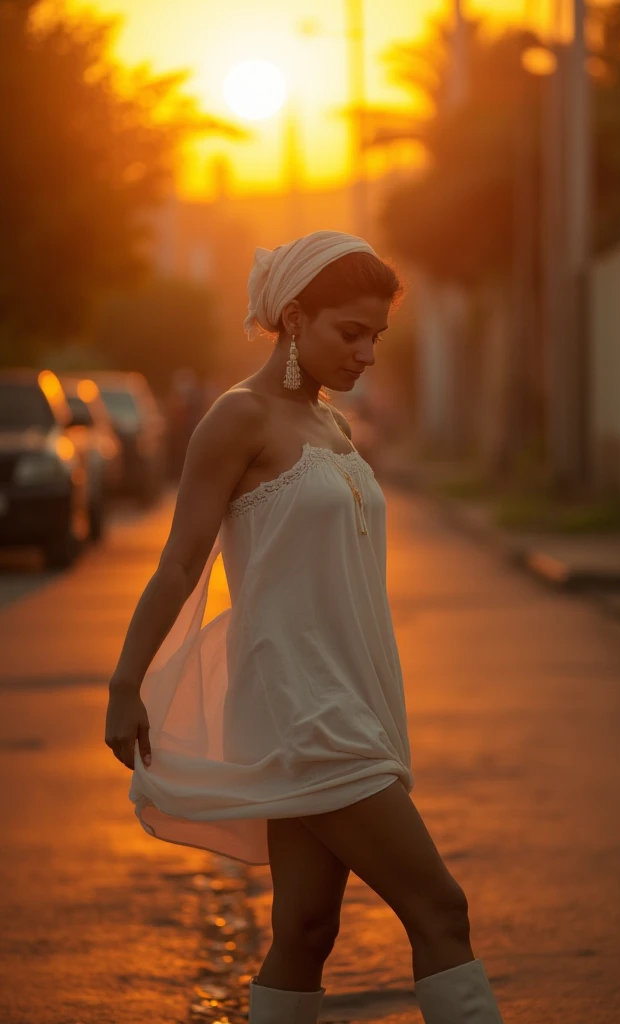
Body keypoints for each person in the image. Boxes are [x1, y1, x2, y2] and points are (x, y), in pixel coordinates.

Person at [104, 229, 504, 1024]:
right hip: (305, 708)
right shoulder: (237, 419)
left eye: (377, 337)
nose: (367, 354)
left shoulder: (335, 428)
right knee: (441, 911)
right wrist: (124, 682)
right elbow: (180, 564)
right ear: (293, 317)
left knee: (306, 929)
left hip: (356, 696)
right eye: (349, 333)